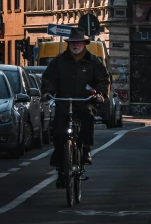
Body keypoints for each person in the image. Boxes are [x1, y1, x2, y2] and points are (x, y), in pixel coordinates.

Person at [42, 27, 110, 188]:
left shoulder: (93, 61)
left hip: (84, 101)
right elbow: (48, 79)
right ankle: (61, 170)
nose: (75, 45)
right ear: (69, 44)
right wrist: (47, 92)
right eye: (72, 42)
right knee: (59, 132)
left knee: (87, 117)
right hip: (64, 102)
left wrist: (100, 94)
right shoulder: (58, 61)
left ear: (84, 44)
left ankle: (85, 150)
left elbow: (103, 79)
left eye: (78, 42)